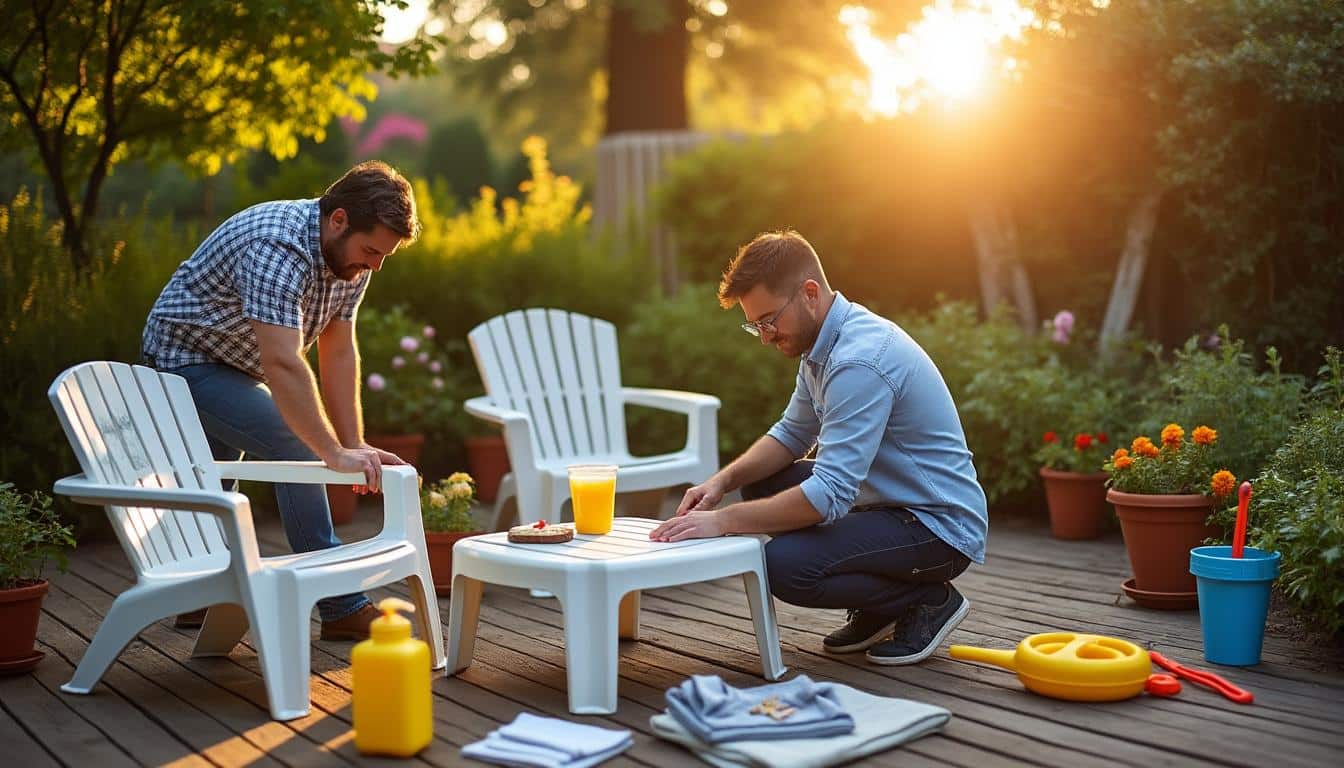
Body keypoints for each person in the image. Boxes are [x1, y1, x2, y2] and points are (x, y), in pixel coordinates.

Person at [649, 230, 987, 665]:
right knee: (762, 482)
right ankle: (881, 605)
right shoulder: (821, 345)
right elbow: (792, 435)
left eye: (769, 319)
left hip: (936, 526)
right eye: (756, 326)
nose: (766, 336)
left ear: (809, 293)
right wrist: (722, 481)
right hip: (887, 504)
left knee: (784, 566)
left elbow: (830, 494)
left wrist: (724, 521)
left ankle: (923, 600)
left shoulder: (858, 360)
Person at [141, 161, 420, 640]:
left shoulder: (350, 258)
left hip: (235, 363)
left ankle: (195, 594)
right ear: (338, 220)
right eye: (371, 251)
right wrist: (330, 451)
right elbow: (285, 363)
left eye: (383, 257)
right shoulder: (276, 246)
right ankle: (339, 605)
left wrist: (355, 441)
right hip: (183, 360)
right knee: (296, 444)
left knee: (214, 484)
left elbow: (338, 351)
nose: (374, 265)